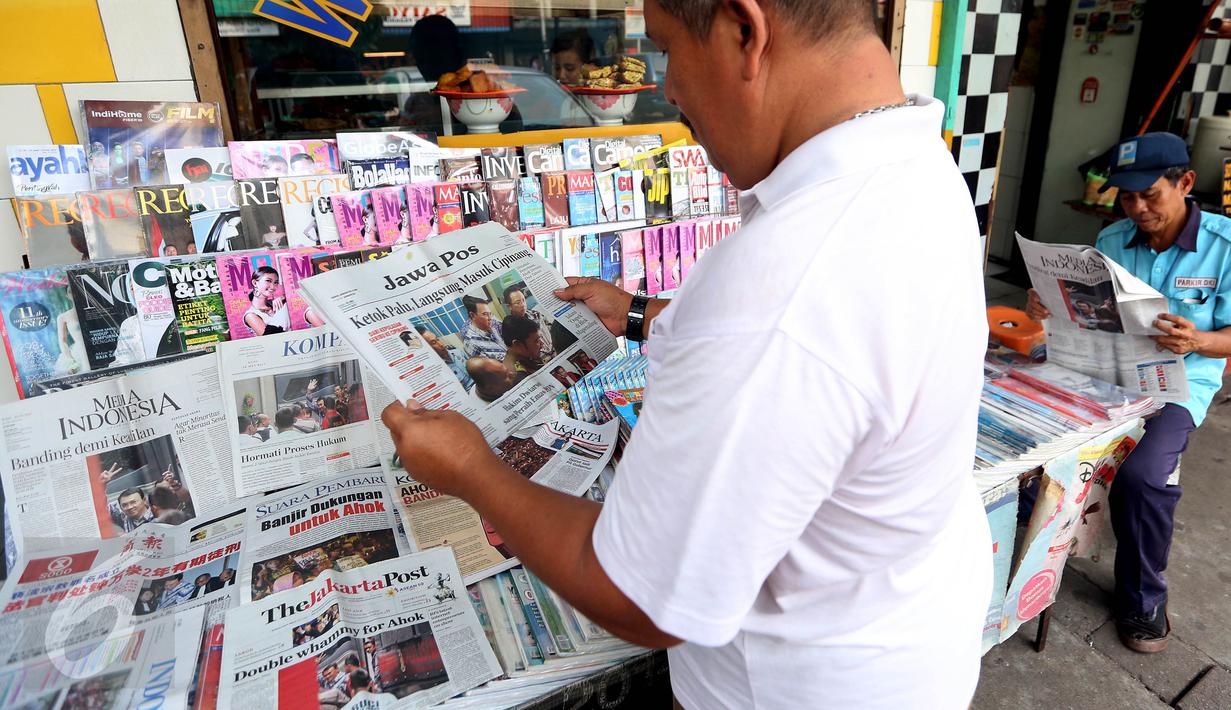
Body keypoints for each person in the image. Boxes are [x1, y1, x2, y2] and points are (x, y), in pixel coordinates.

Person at [380, 1, 992, 707]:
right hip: (901, 629)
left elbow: (638, 600)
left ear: (744, 31)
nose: (666, 89)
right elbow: (835, 355)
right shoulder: (909, 154)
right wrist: (642, 315)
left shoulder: (783, 283)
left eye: (667, 51)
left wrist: (470, 470)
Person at [1025, 132, 1231, 654]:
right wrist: (1048, 304)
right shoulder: (1113, 240)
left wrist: (1201, 340)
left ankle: (1144, 598)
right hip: (1108, 373)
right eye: (1127, 196)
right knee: (1036, 439)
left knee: (1142, 478)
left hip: (1180, 384)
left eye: (1150, 194)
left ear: (1185, 182)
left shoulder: (1224, 247)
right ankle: (1024, 557)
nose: (1138, 208)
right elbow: (1091, 316)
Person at [503, 285, 554, 357]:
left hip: (555, 350)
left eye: (523, 300)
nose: (523, 305)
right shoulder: (511, 327)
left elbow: (551, 329)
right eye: (518, 302)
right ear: (509, 306)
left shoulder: (536, 314)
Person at [419, 325, 473, 390]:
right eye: (433, 342)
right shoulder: (436, 372)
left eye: (437, 339)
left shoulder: (457, 352)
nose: (441, 344)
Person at [244, 266, 290, 336]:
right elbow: (270, 338)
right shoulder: (251, 315)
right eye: (268, 281)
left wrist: (283, 297)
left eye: (276, 282)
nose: (273, 287)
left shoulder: (277, 302)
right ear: (255, 283)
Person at [500, 315, 547, 379]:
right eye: (536, 341)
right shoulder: (514, 376)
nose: (542, 343)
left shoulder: (527, 358)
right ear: (517, 344)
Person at [460, 295, 506, 360]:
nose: (490, 318)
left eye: (490, 313)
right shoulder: (470, 343)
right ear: (472, 315)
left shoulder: (493, 322)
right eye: (485, 314)